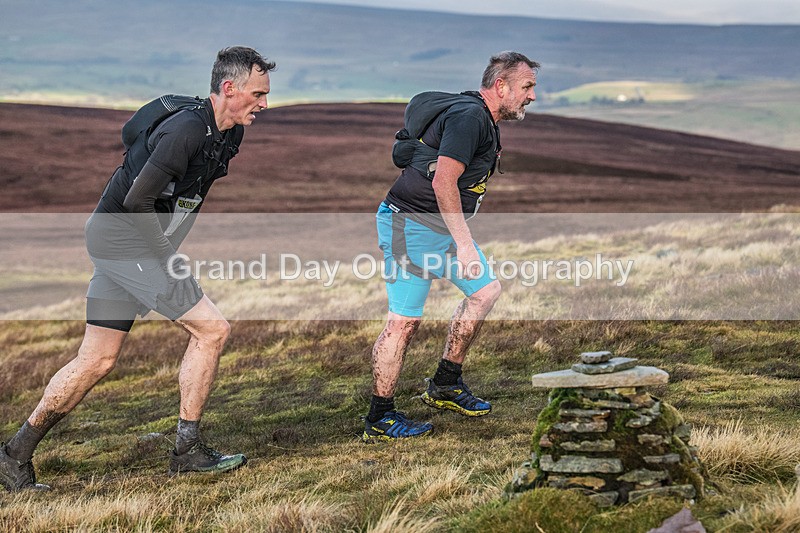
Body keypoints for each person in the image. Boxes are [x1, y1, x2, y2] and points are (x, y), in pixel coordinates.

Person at [0, 46, 275, 491]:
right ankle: (187, 451)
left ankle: (14, 455)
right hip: (125, 242)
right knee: (213, 330)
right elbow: (136, 201)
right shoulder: (186, 130)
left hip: (121, 243)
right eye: (258, 94)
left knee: (96, 360)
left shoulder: (229, 134)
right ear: (229, 88)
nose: (264, 103)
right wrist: (168, 258)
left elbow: (183, 198)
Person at [363, 51, 539, 442]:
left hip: (438, 228)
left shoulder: (483, 117)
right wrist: (465, 246)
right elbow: (444, 182)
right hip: (408, 225)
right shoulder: (470, 117)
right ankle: (380, 416)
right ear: (501, 86)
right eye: (526, 87)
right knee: (404, 322)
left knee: (485, 291)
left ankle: (445, 383)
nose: (531, 96)